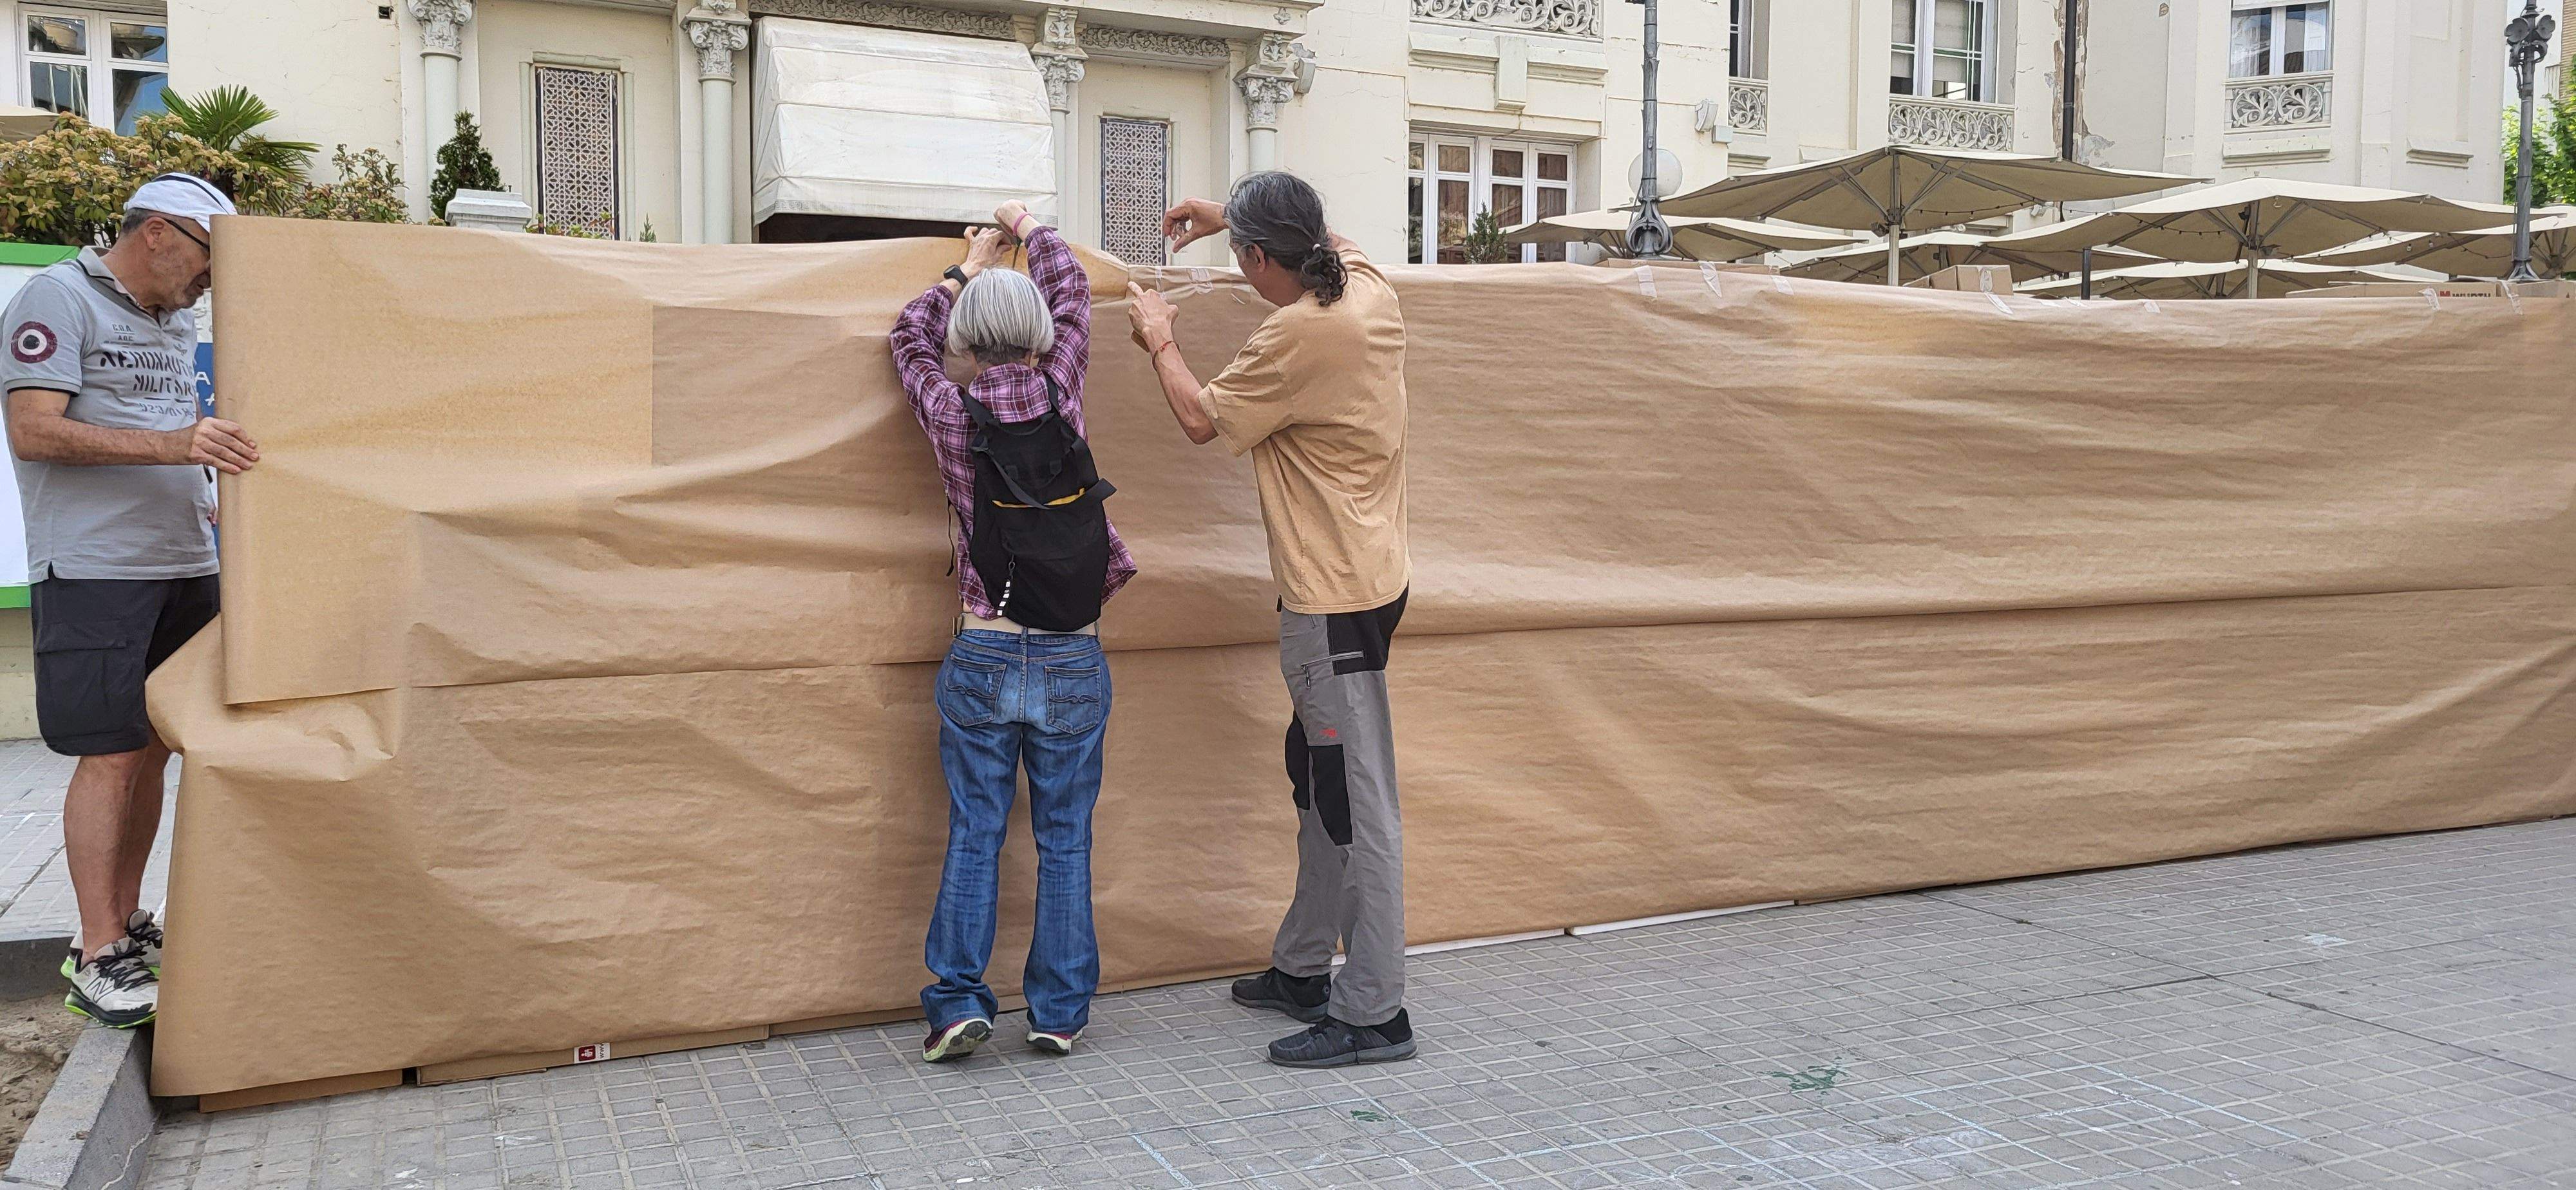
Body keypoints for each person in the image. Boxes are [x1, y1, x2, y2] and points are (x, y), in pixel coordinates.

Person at [1124, 171, 1414, 1069]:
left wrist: (1158, 339)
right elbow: (1326, 231)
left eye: (1238, 248)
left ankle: (1373, 1012)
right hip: (1365, 579)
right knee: (1316, 780)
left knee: (1357, 802)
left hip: (1332, 602)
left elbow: (1202, 420)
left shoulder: (1297, 334)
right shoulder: (1365, 287)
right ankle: (1302, 967)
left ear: (1257, 260)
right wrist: (1224, 218)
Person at [0, 173, 259, 1028]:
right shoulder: (57, 297)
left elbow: (172, 419)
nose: (210, 281)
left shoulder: (175, 320)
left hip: (182, 562)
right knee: (109, 753)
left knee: (153, 749)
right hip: (97, 572)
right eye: (208, 259)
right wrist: (174, 445)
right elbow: (34, 429)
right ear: (157, 232)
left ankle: (130, 923)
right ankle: (97, 950)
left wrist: (200, 474)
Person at [891, 200, 1136, 1064]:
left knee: (976, 831)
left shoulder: (951, 412)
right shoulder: (1064, 391)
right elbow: (1073, 295)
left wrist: (967, 264)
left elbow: (905, 337)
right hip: (1074, 653)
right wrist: (1030, 229)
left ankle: (959, 1002)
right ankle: (1059, 1012)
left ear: (968, 341)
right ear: (1039, 336)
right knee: (1066, 836)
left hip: (985, 649)